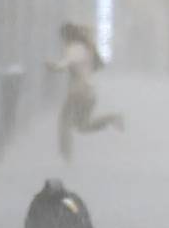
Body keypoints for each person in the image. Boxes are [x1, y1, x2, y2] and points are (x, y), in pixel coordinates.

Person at [47, 22, 124, 161]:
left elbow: (66, 63)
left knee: (65, 121)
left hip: (79, 93)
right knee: (82, 126)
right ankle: (111, 118)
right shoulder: (83, 47)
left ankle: (66, 154)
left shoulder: (76, 48)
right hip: (88, 92)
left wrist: (54, 66)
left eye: (62, 37)